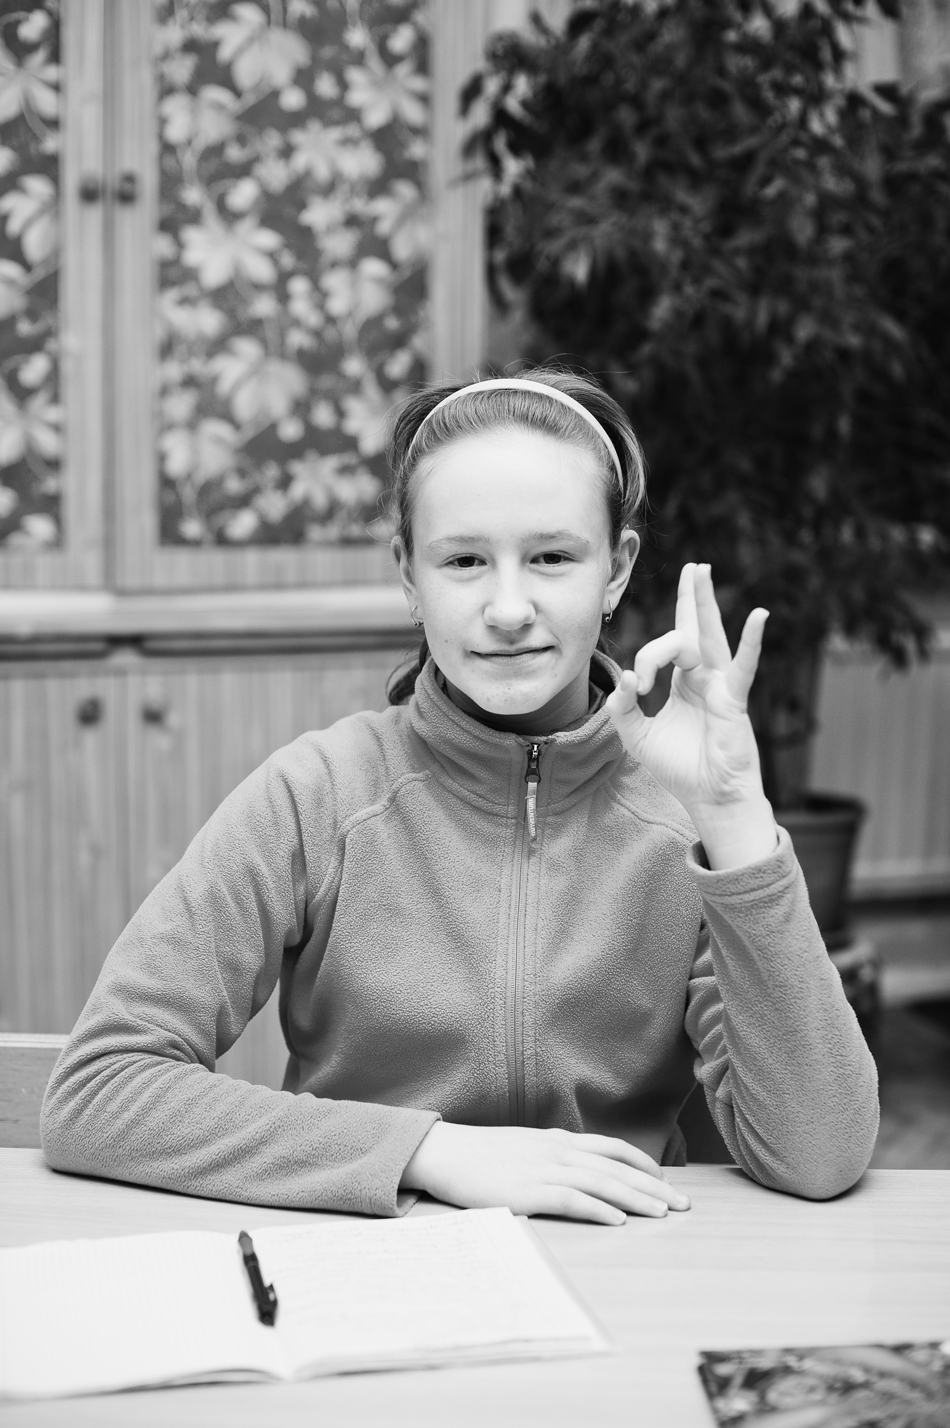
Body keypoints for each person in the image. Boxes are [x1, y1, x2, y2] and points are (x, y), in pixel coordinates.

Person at [41, 369, 879, 1224]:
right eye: (465, 560)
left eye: (552, 557)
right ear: (410, 575)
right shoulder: (316, 795)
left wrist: (733, 819)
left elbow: (819, 1156)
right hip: (367, 1253)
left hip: (625, 1260)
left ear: (617, 570)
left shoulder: (680, 820)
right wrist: (428, 1153)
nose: (508, 608)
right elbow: (99, 1089)